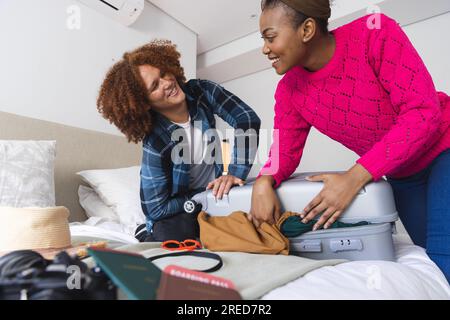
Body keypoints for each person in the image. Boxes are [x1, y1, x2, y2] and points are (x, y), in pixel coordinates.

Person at [250, 0, 450, 281]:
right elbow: (284, 151)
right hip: (402, 174)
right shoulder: (289, 90)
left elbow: (422, 112)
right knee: (431, 264)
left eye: (271, 37)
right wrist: (263, 180)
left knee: (445, 261)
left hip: (444, 147)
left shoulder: (375, 33)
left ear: (307, 29)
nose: (265, 48)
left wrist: (354, 177)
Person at [97, 39, 261, 242]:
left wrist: (233, 174)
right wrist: (202, 196)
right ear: (144, 104)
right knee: (174, 237)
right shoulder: (156, 142)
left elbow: (246, 118)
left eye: (164, 73)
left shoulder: (201, 92)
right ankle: (143, 232)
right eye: (155, 85)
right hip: (185, 207)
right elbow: (155, 209)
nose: (168, 83)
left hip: (214, 197)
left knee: (260, 209)